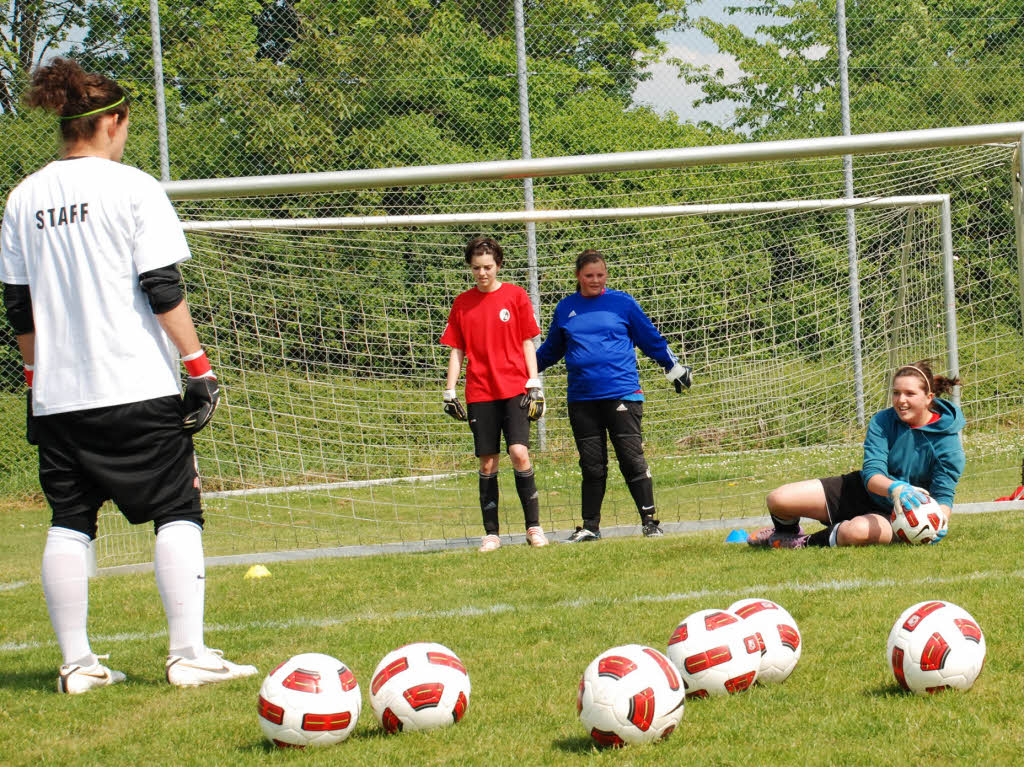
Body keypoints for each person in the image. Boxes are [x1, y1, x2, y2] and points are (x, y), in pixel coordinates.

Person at [0, 58, 257, 693]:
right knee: (178, 508)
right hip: (135, 386)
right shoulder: (133, 187)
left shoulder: (22, 198)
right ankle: (187, 653)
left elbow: (17, 308)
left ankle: (78, 666)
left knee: (69, 519)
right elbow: (162, 287)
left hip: (58, 396)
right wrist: (199, 367)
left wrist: (36, 379)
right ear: (111, 122)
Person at [535, 249, 692, 542]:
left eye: (600, 275)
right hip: (581, 400)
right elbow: (550, 351)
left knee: (631, 460)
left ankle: (650, 522)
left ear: (606, 275)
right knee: (592, 466)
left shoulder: (622, 303)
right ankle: (590, 527)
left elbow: (650, 338)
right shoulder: (566, 308)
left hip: (622, 394)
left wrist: (673, 366)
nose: (595, 280)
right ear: (578, 276)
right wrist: (521, 369)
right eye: (588, 275)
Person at [749, 361, 965, 549]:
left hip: (897, 514)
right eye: (896, 392)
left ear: (928, 398)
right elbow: (872, 473)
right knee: (778, 499)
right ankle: (786, 533)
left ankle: (802, 543)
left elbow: (943, 495)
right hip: (862, 490)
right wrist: (896, 488)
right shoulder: (883, 421)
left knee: (855, 532)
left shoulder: (948, 443)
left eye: (910, 394)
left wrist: (938, 524)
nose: (901, 400)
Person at [440, 236, 547, 552]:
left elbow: (528, 341)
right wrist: (449, 390)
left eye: (487, 267)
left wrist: (534, 381)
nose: (482, 273)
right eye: (476, 268)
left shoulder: (515, 296)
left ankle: (534, 528)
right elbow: (457, 350)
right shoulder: (462, 303)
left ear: (498, 265)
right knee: (488, 463)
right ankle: (491, 534)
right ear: (470, 268)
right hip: (480, 392)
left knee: (519, 453)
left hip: (515, 388)